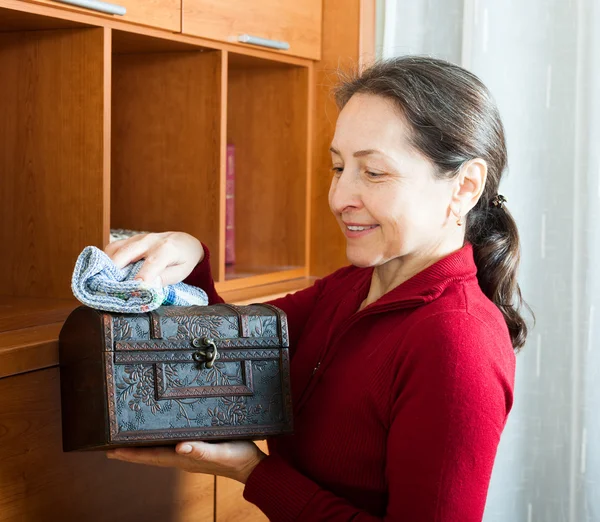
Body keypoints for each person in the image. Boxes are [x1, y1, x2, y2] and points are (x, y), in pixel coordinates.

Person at [104, 56, 531, 521]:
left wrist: (254, 473)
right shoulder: (349, 289)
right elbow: (231, 354)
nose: (339, 198)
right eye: (338, 167)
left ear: (465, 186)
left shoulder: (457, 342)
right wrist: (190, 256)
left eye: (373, 172)